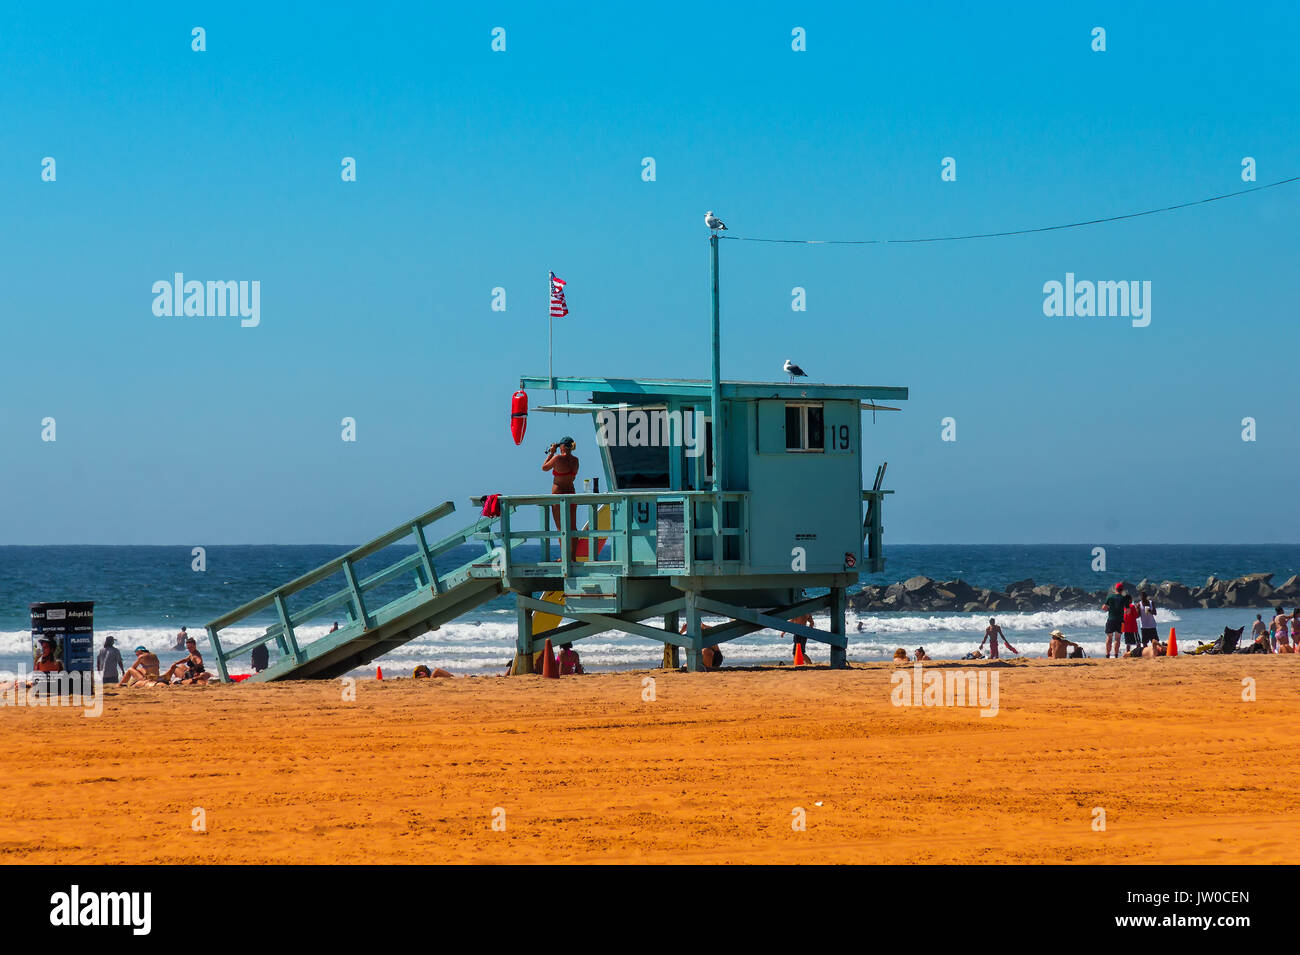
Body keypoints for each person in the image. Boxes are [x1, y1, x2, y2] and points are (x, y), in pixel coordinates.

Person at [542, 437, 580, 556]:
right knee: (573, 527)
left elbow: (544, 468)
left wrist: (551, 452)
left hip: (558, 494)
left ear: (562, 446)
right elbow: (573, 477)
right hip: (571, 492)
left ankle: (564, 557)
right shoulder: (576, 460)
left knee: (560, 527)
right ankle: (572, 556)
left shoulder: (557, 458)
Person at [1103, 583, 1130, 658]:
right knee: (1117, 639)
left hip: (1111, 619)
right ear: (1122, 590)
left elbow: (1104, 608)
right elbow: (1128, 611)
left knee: (1109, 637)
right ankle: (1116, 655)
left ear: (1115, 589)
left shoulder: (1110, 597)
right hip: (1120, 620)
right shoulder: (1124, 598)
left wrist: (1109, 609)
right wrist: (1123, 612)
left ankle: (1107, 654)